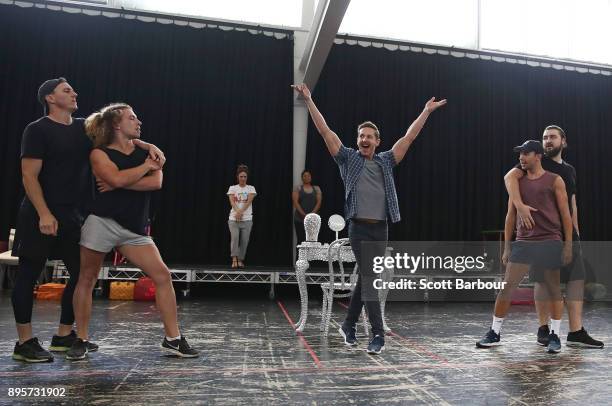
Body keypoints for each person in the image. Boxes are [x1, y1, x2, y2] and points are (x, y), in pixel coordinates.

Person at [11, 78, 163, 363]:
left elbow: (117, 135)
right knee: (29, 274)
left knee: (82, 276)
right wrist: (44, 213)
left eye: (72, 89)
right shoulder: (37, 130)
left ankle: (64, 335)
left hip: (73, 214)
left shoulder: (84, 128)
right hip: (38, 212)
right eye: (66, 90)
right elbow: (29, 177)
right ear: (50, 99)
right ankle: (24, 342)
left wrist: (147, 143)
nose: (74, 93)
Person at [292, 83, 446, 354]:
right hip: (359, 229)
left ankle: (348, 325)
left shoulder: (386, 161)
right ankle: (378, 335)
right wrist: (308, 100)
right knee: (371, 281)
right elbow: (325, 131)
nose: (364, 140)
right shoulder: (348, 159)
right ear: (357, 139)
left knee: (366, 280)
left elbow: (409, 138)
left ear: (377, 141)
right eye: (361, 136)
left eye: (369, 136)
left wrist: (425, 111)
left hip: (381, 228)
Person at [67, 103, 198, 360]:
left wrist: (126, 177)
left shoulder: (145, 151)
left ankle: (172, 339)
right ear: (117, 124)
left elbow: (156, 182)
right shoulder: (99, 154)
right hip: (101, 222)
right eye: (132, 118)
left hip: (134, 229)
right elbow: (114, 179)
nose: (138, 122)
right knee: (87, 277)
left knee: (162, 275)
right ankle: (81, 338)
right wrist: (142, 169)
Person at [504, 126, 603, 348]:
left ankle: (576, 332)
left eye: (552, 137)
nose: (548, 141)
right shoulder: (536, 163)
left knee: (577, 278)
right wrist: (520, 206)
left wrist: (575, 234)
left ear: (563, 142)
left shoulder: (569, 170)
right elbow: (510, 177)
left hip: (567, 233)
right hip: (542, 234)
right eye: (545, 138)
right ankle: (543, 328)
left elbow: (572, 204)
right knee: (543, 280)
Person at [477, 140, 572, 353]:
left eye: (526, 153)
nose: (521, 157)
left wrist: (567, 246)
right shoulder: (516, 182)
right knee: (506, 287)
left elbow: (566, 215)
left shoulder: (555, 180)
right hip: (523, 242)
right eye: (520, 153)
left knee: (553, 289)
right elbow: (510, 215)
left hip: (549, 240)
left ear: (538, 155)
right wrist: (508, 247)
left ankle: (555, 335)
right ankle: (494, 332)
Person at [227, 164, 256, 269]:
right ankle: (234, 259)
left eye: (245, 177)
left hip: (247, 219)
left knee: (244, 241)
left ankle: (240, 260)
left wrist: (241, 212)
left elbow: (249, 201)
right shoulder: (233, 188)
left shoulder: (251, 188)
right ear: (237, 177)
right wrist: (237, 212)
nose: (243, 178)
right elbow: (232, 201)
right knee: (234, 238)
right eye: (241, 176)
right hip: (233, 219)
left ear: (247, 177)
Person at [292, 169, 322, 244]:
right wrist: (304, 215)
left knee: (313, 241)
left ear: (311, 177)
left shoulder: (316, 188)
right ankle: (299, 256)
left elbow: (319, 202)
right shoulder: (298, 188)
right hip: (300, 219)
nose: (307, 177)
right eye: (305, 176)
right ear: (302, 178)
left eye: (308, 175)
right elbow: (295, 202)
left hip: (313, 220)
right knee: (300, 241)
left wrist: (311, 215)